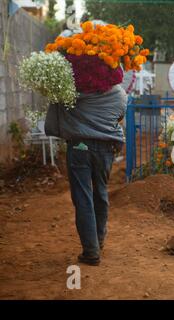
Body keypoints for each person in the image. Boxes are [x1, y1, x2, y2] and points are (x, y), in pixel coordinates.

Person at [45, 56, 127, 266]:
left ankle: (91, 251)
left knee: (83, 198)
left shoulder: (71, 92)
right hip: (106, 150)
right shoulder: (119, 94)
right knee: (100, 192)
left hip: (79, 148)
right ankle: (98, 241)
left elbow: (59, 108)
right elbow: (119, 116)